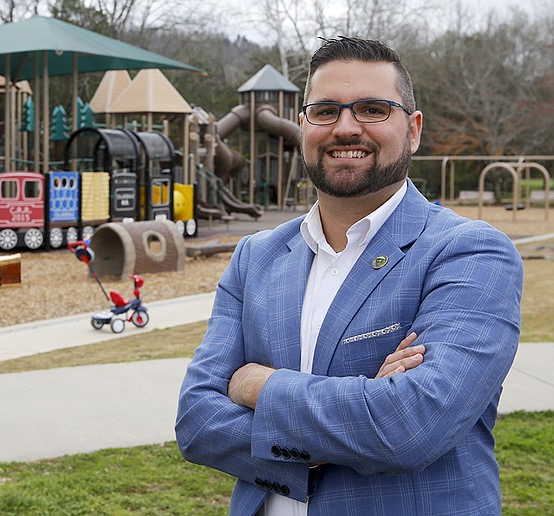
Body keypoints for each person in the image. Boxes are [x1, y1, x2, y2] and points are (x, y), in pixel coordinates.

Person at [176, 36, 523, 515]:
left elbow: (408, 427)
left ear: (414, 129)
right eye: (325, 111)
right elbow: (196, 423)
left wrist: (258, 386)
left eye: (373, 109)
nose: (345, 128)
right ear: (303, 126)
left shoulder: (471, 253)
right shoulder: (255, 257)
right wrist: (358, 417)